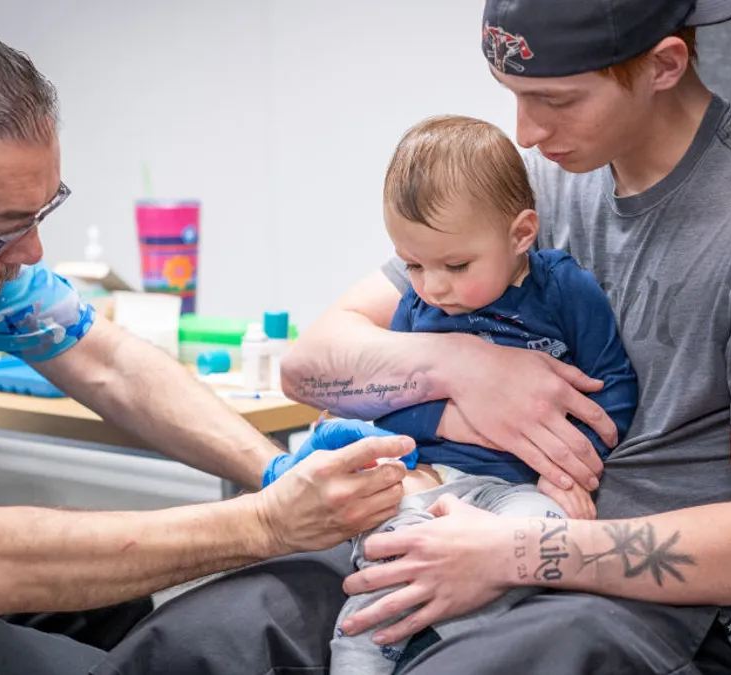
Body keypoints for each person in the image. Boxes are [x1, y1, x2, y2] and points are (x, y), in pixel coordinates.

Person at [99, 0, 731, 674]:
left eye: (557, 100)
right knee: (199, 638)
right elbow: (312, 363)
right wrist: (460, 364)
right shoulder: (539, 181)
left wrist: (508, 554)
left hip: (666, 612)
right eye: (514, 97)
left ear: (666, 64)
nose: (527, 133)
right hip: (455, 522)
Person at [0, 21, 413, 675]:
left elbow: (108, 362)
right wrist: (266, 523)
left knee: (119, 612)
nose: (32, 252)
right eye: (6, 228)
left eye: (42, 214)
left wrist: (273, 471)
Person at [258, 114, 639, 674]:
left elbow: (611, 389)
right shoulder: (418, 305)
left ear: (520, 234)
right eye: (413, 264)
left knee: (542, 544)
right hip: (432, 482)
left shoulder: (564, 291)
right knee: (389, 566)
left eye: (456, 266)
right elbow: (394, 408)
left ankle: (457, 642)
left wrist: (569, 470)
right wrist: (441, 421)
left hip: (522, 487)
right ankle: (361, 656)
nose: (433, 286)